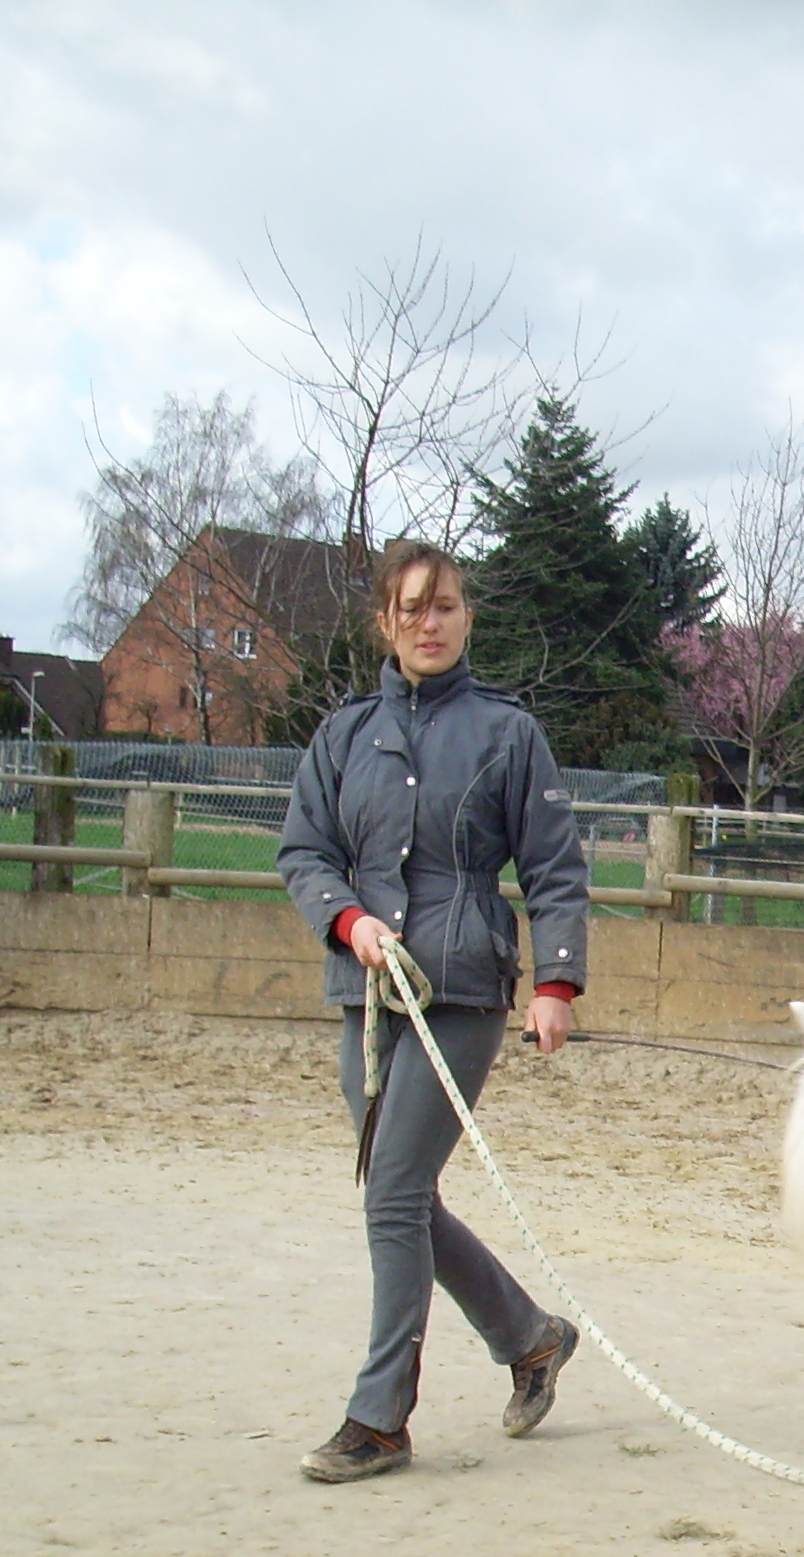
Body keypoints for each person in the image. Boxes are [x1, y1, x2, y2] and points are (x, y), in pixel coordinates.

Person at [275, 540, 591, 1482]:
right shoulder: (343, 736)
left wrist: (555, 984)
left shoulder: (507, 733)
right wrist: (348, 921)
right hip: (369, 989)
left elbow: (554, 867)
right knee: (400, 1194)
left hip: (462, 989)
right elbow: (304, 852)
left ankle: (379, 1421)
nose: (428, 622)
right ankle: (529, 1336)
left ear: (465, 618)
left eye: (444, 606)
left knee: (393, 1195)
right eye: (411, 608)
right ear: (385, 621)